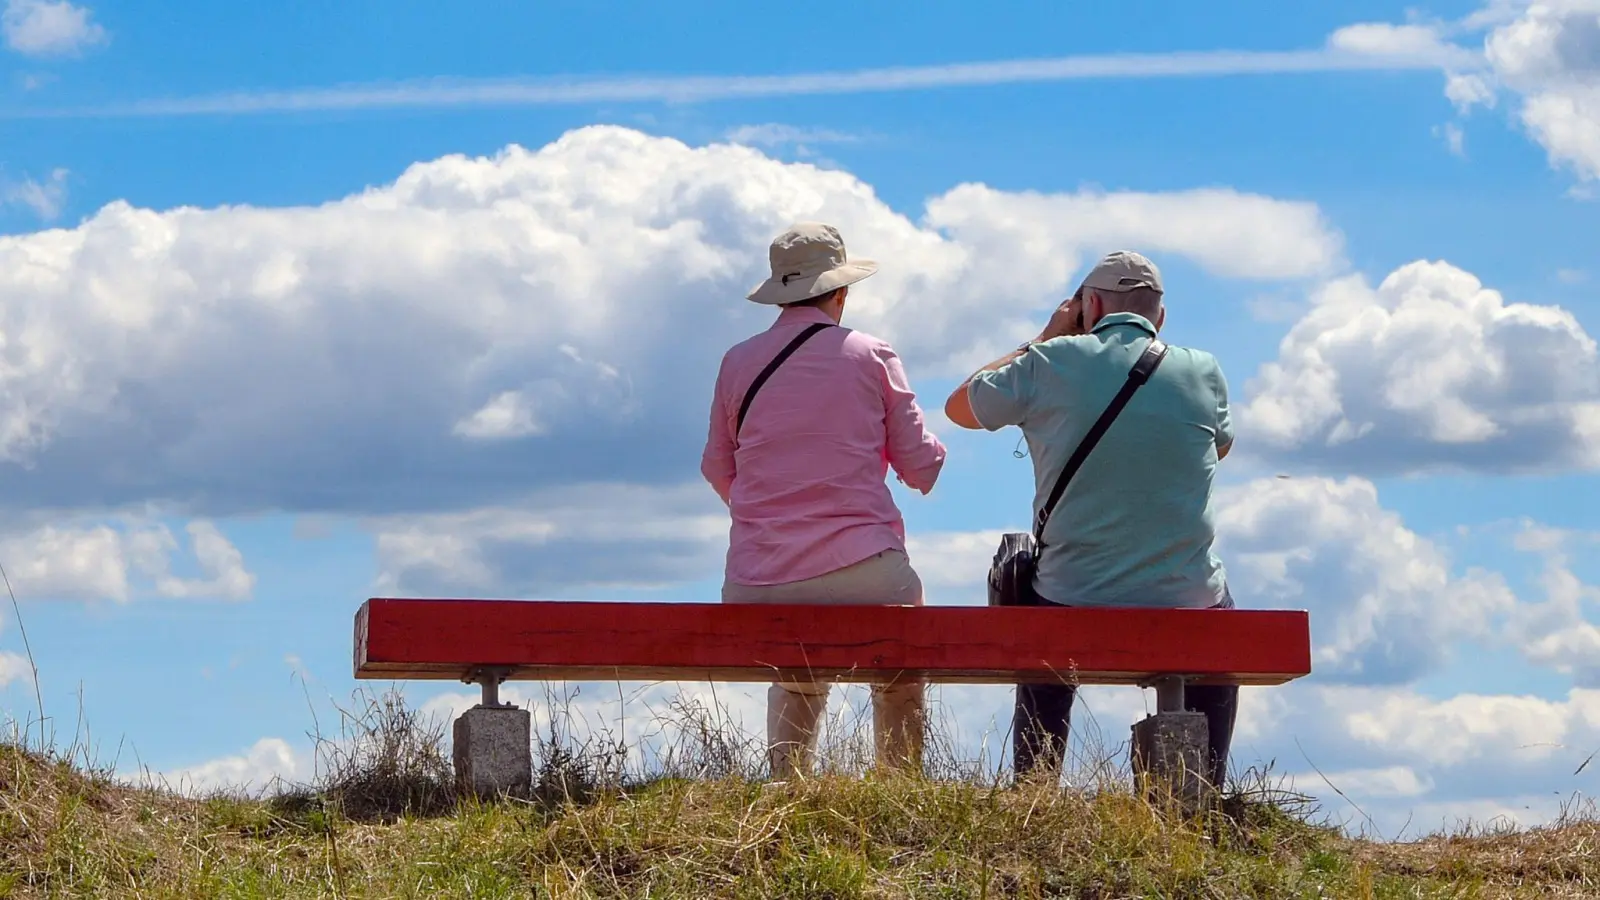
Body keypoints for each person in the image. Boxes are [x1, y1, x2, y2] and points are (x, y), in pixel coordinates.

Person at [942, 250, 1237, 788]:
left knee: (1035, 602)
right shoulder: (1204, 369)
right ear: (1160, 317)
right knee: (1220, 613)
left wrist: (1047, 336)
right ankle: (1203, 790)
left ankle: (1035, 787)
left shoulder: (1051, 361)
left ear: (1090, 305)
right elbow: (1220, 448)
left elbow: (960, 406)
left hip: (1072, 593)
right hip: (1184, 596)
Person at [701, 222, 947, 780]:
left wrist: (768, 515)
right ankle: (900, 784)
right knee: (901, 662)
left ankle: (789, 785)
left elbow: (717, 466)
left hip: (755, 578)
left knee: (797, 667)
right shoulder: (871, 353)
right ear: (841, 292)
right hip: (862, 568)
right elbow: (920, 466)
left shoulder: (738, 361)